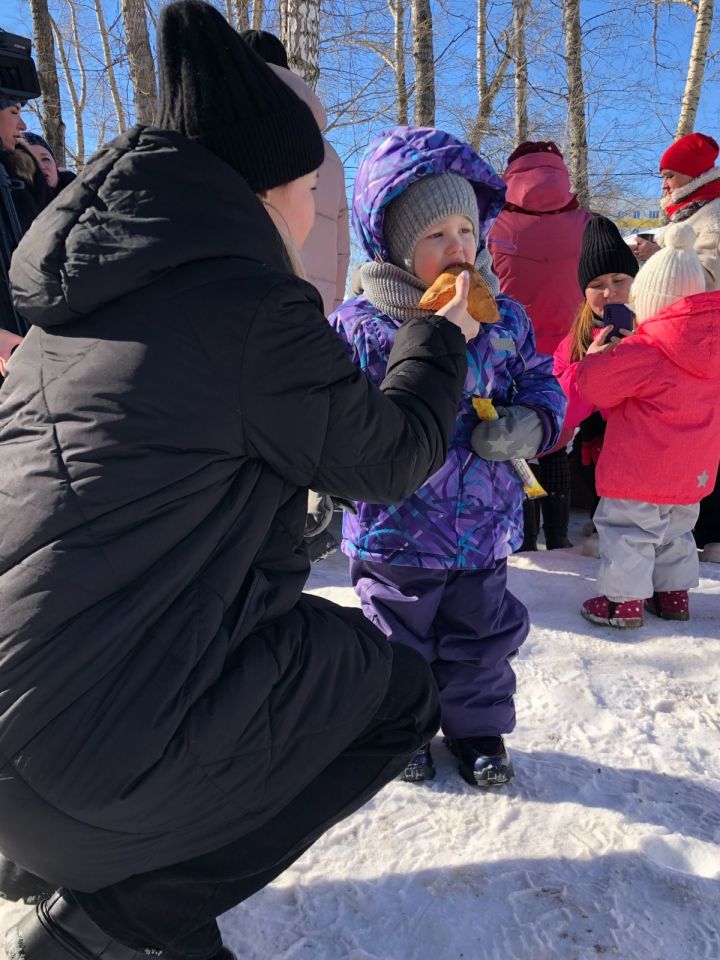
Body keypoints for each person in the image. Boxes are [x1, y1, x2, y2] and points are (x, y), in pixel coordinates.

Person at [0, 4, 472, 958]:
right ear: (264, 192)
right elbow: (388, 458)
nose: (312, 208)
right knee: (395, 694)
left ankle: (75, 867)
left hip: (26, 737)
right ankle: (112, 920)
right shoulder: (246, 305)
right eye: (306, 184)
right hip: (80, 759)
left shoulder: (79, 305)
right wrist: (439, 336)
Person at [330, 126, 566, 788]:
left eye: (466, 228)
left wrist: (532, 422)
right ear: (396, 246)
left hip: (484, 527)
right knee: (395, 638)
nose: (458, 246)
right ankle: (398, 727)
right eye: (436, 236)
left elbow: (543, 382)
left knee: (482, 636)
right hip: (396, 528)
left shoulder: (505, 319)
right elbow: (332, 411)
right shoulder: (362, 327)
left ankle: (476, 728)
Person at [576, 223, 720, 628]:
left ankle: (622, 604)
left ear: (651, 300)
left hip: (640, 469)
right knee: (676, 534)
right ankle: (673, 597)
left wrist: (597, 355)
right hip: (693, 473)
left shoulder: (647, 349)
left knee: (627, 533)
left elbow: (597, 388)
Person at [488, 141, 591, 550]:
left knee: (520, 439)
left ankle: (527, 536)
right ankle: (560, 534)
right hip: (571, 344)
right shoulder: (585, 223)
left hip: (509, 346)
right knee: (558, 436)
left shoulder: (494, 222)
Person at [633, 133, 720, 563]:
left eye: (669, 174)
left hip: (702, 341)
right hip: (684, 339)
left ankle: (707, 533)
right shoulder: (692, 212)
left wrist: (657, 258)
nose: (663, 182)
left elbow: (703, 283)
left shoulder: (714, 220)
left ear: (694, 173)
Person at [240, 29, 350, 315]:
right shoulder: (330, 155)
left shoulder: (232, 133)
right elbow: (341, 247)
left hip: (246, 306)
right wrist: (332, 310)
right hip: (314, 309)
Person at [553, 216, 640, 557]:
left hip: (655, 450)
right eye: (597, 284)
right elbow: (564, 410)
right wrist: (590, 366)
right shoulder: (573, 342)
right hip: (601, 456)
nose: (609, 292)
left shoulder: (659, 326)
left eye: (619, 280)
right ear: (584, 292)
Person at [20, 131, 76, 198]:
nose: (41, 166)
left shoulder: (85, 200)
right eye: (30, 161)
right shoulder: (9, 205)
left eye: (45, 159)